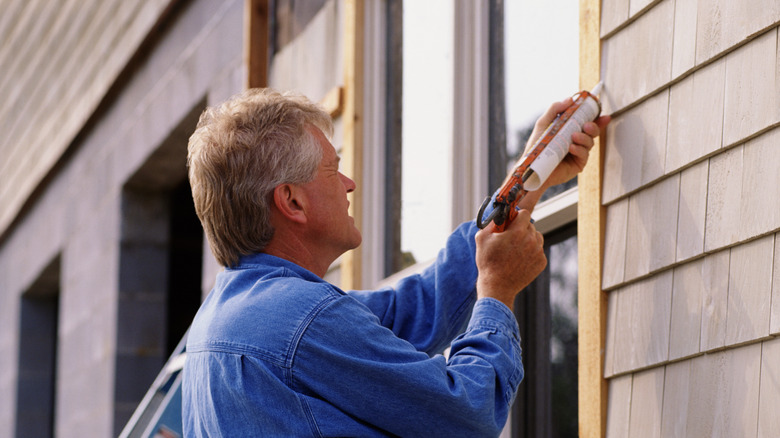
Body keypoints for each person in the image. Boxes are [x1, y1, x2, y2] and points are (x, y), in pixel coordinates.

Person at [182, 88, 608, 437]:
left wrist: (525, 179)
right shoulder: (301, 321)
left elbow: (415, 312)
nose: (349, 185)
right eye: (333, 171)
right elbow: (467, 415)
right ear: (292, 201)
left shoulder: (228, 317)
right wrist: (496, 293)